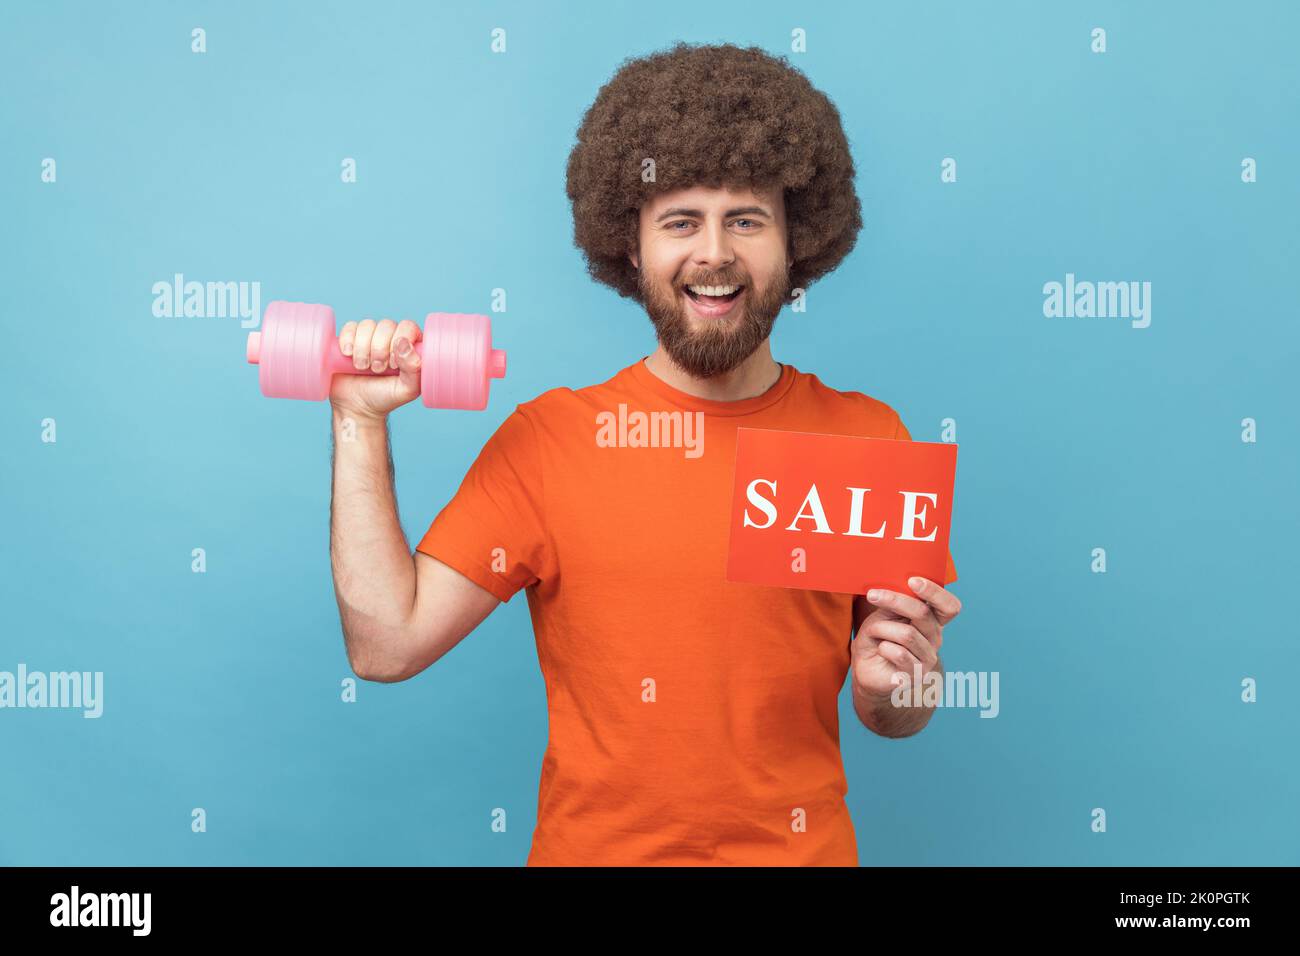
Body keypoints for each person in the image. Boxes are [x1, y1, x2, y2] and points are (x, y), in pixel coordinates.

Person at [328, 41, 962, 866]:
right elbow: (387, 645)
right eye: (679, 222)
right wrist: (358, 420)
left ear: (796, 240)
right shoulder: (549, 442)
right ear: (629, 246)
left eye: (746, 219)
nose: (714, 253)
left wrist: (898, 685)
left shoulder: (869, 440)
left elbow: (896, 711)